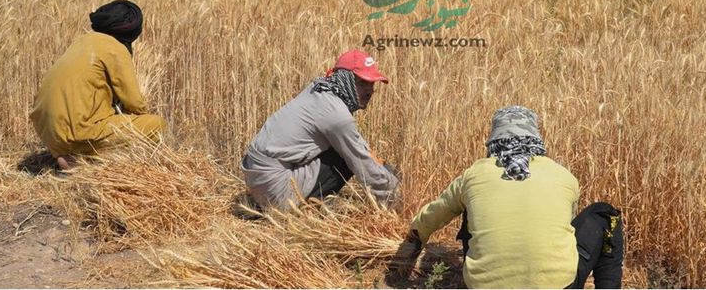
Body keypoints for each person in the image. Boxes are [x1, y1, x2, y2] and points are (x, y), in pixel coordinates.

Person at [399, 106, 624, 289]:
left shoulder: (474, 175)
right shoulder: (564, 176)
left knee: (470, 205)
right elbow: (566, 228)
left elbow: (433, 215)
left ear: (494, 140)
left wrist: (411, 243)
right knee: (605, 215)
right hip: (559, 286)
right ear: (536, 139)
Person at [240, 49, 399, 210]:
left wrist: (386, 168)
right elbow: (362, 161)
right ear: (345, 79)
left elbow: (361, 147)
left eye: (372, 83)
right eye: (363, 83)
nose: (370, 91)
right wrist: (397, 196)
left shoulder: (319, 89)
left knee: (346, 146)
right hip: (275, 189)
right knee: (344, 156)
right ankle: (308, 206)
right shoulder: (336, 115)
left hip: (257, 177)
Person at [29, 1, 167, 170]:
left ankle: (68, 156)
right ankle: (93, 161)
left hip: (48, 132)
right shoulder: (115, 48)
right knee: (157, 125)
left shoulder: (82, 41)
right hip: (78, 132)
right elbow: (135, 102)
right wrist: (136, 118)